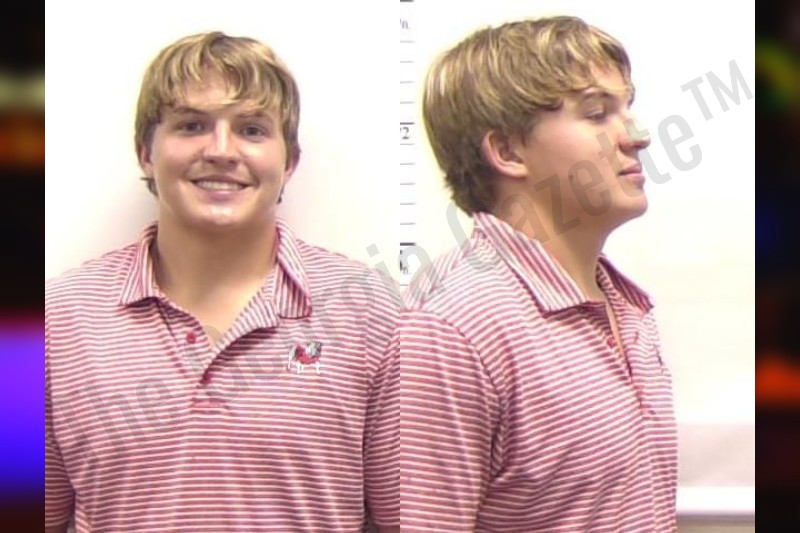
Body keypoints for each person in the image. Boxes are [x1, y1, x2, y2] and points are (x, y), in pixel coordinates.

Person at [45, 31, 399, 533]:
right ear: (145, 153)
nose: (221, 150)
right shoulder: (49, 322)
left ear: (289, 162)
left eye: (252, 130)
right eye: (192, 125)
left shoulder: (370, 311)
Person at [399, 16, 677, 531]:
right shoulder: (452, 328)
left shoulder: (626, 307)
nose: (637, 136)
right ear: (507, 152)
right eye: (597, 113)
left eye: (627, 108)